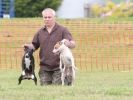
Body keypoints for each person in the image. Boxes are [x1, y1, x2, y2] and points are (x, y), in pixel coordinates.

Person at [24, 8, 76, 86]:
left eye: (49, 17)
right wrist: (28, 47)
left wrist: (67, 43)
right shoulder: (40, 32)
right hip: (44, 68)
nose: (47, 19)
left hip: (60, 67)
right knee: (45, 92)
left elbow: (73, 44)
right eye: (45, 17)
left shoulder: (63, 30)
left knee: (58, 90)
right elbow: (34, 45)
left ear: (54, 17)